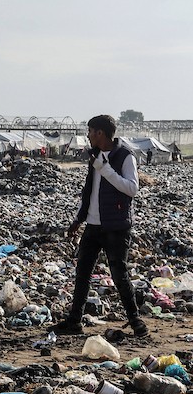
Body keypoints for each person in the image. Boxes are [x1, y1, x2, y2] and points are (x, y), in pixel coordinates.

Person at [53, 114, 147, 337]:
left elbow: (132, 189)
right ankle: (74, 321)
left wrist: (105, 168)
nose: (88, 136)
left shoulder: (124, 156)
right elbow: (90, 190)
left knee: (119, 275)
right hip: (93, 225)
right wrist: (78, 219)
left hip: (116, 227)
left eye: (90, 131)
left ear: (100, 133)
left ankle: (136, 322)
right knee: (82, 273)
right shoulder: (94, 155)